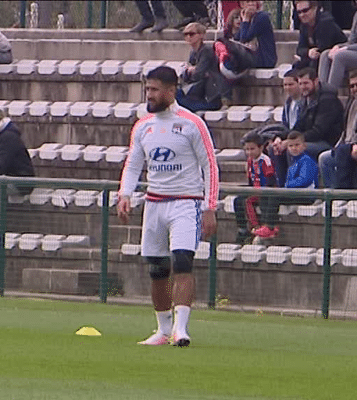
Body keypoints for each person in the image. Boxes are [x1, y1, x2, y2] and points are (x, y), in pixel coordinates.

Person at [117, 66, 219, 347]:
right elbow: (133, 163)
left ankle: (181, 329)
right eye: (147, 89)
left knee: (183, 261)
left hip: (186, 202)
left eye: (154, 89)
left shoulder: (191, 123)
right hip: (154, 202)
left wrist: (210, 207)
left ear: (171, 91)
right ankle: (162, 330)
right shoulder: (143, 125)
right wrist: (124, 194)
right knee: (157, 268)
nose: (149, 95)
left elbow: (209, 165)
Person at [259, 131, 319, 239]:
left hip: (307, 195)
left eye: (297, 145)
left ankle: (270, 227)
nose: (294, 148)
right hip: (295, 193)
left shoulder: (307, 161)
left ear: (304, 146)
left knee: (275, 195)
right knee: (266, 194)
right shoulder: (293, 162)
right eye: (291, 146)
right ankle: (268, 225)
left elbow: (304, 180)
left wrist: (287, 187)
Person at [319, 70, 357, 189]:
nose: (355, 88)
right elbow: (345, 130)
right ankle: (332, 196)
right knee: (324, 159)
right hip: (344, 144)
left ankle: (342, 194)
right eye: (352, 86)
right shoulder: (351, 102)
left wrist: (352, 145)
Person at [234, 130, 278, 244]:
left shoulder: (265, 160)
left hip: (263, 190)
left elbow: (270, 179)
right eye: (247, 149)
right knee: (237, 200)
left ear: (261, 148)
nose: (249, 152)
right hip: (254, 189)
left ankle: (256, 227)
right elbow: (250, 180)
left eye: (252, 149)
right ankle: (242, 229)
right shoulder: (249, 161)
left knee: (248, 201)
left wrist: (261, 191)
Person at [176, 22, 226, 112]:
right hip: (197, 92)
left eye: (191, 34)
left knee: (177, 102)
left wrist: (192, 71)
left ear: (201, 35)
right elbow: (186, 76)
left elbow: (198, 74)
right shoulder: (193, 52)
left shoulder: (206, 51)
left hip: (209, 96)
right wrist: (190, 71)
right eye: (185, 34)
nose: (188, 37)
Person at [293, 0, 346, 71]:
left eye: (305, 10)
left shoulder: (325, 22)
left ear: (314, 8)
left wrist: (309, 54)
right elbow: (300, 49)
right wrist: (308, 52)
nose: (302, 15)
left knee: (311, 65)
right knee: (296, 66)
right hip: (316, 58)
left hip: (332, 56)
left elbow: (322, 48)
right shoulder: (304, 25)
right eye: (299, 12)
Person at [234, 1, 277, 68]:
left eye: (253, 1)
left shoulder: (262, 17)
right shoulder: (250, 18)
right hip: (255, 58)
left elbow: (244, 38)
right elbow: (237, 38)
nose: (251, 3)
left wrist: (245, 21)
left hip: (265, 61)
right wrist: (244, 20)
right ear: (242, 5)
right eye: (248, 2)